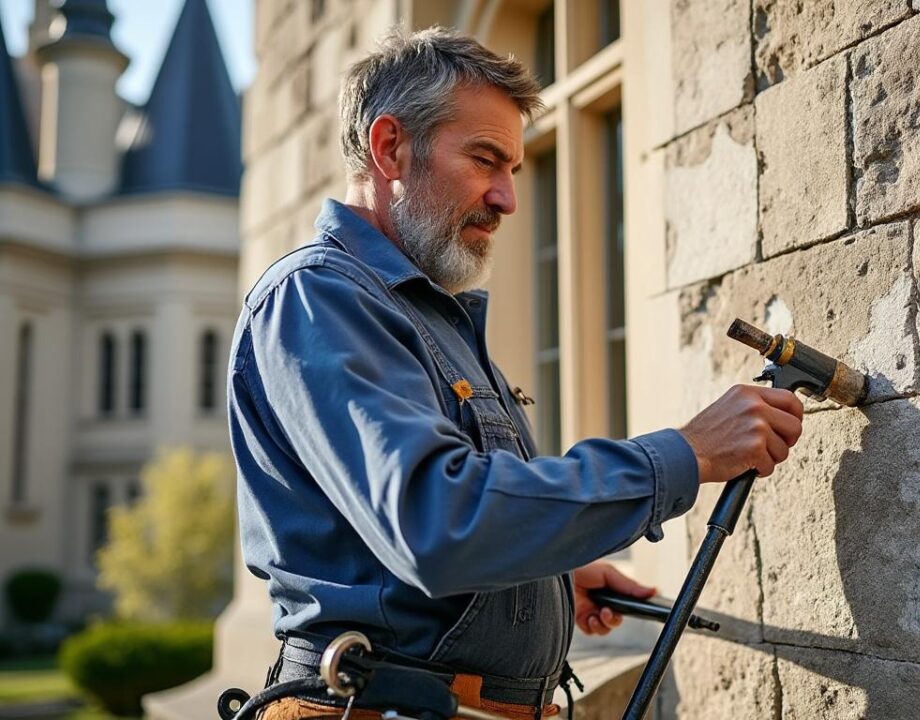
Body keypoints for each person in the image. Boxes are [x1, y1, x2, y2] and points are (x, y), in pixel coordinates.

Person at [228, 26, 803, 720]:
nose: (507, 199)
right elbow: (436, 525)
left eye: (514, 171)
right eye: (484, 160)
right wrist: (686, 454)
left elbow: (426, 542)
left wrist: (538, 581)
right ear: (390, 148)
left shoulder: (425, 312)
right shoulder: (318, 298)